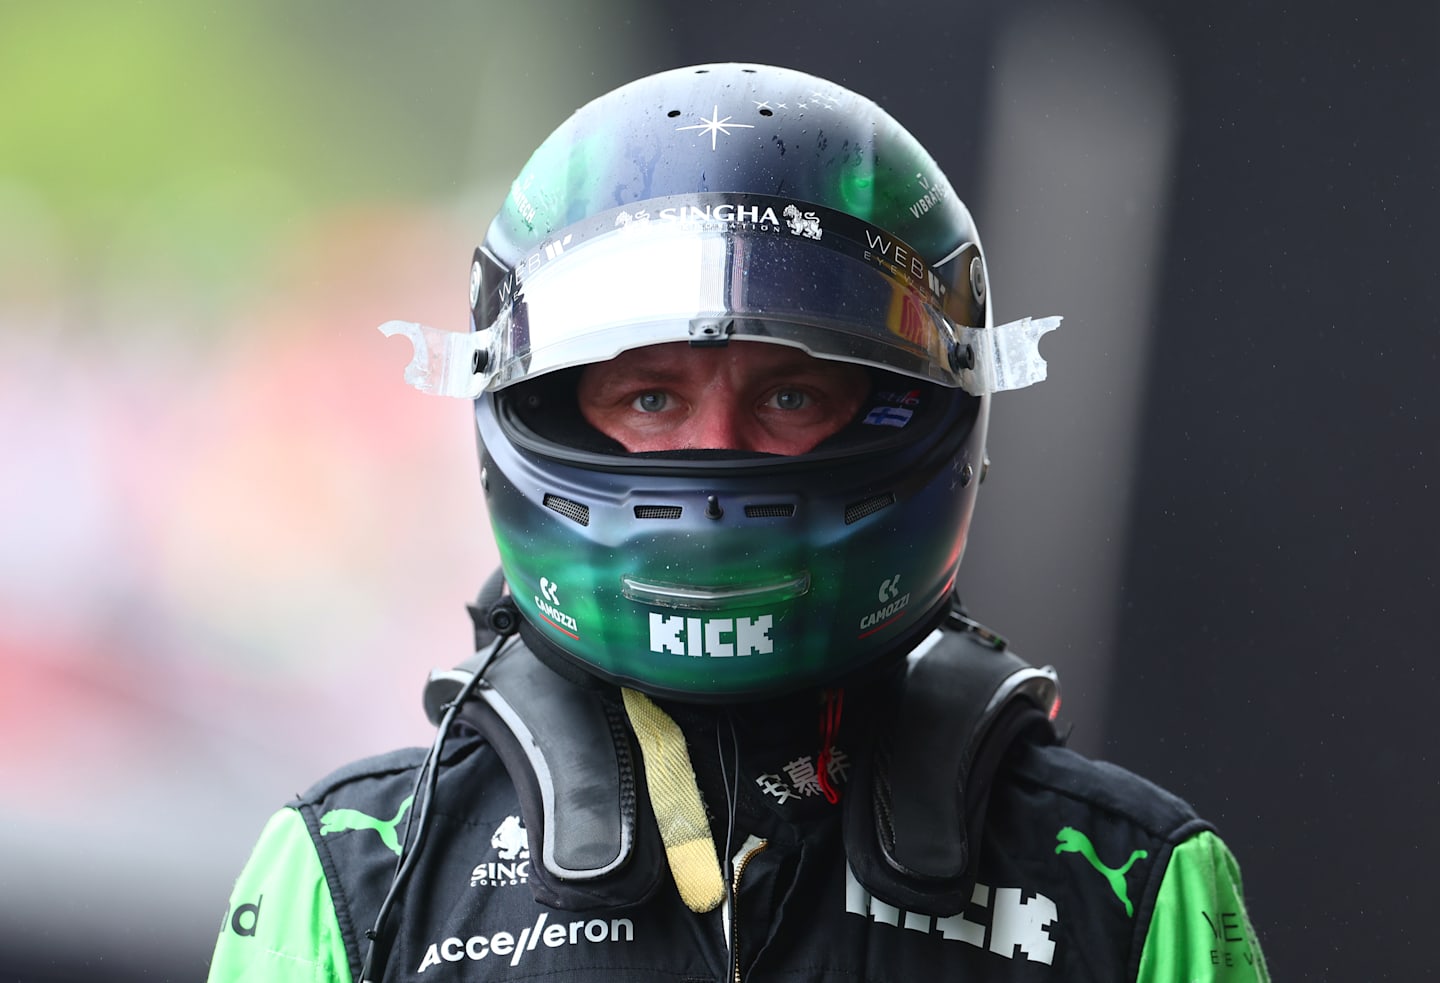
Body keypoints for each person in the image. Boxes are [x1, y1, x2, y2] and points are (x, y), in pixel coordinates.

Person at [207, 63, 1268, 982]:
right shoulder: (359, 871)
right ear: (530, 411)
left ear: (918, 417)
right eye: (652, 398)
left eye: (791, 396)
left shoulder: (1130, 881)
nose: (715, 455)